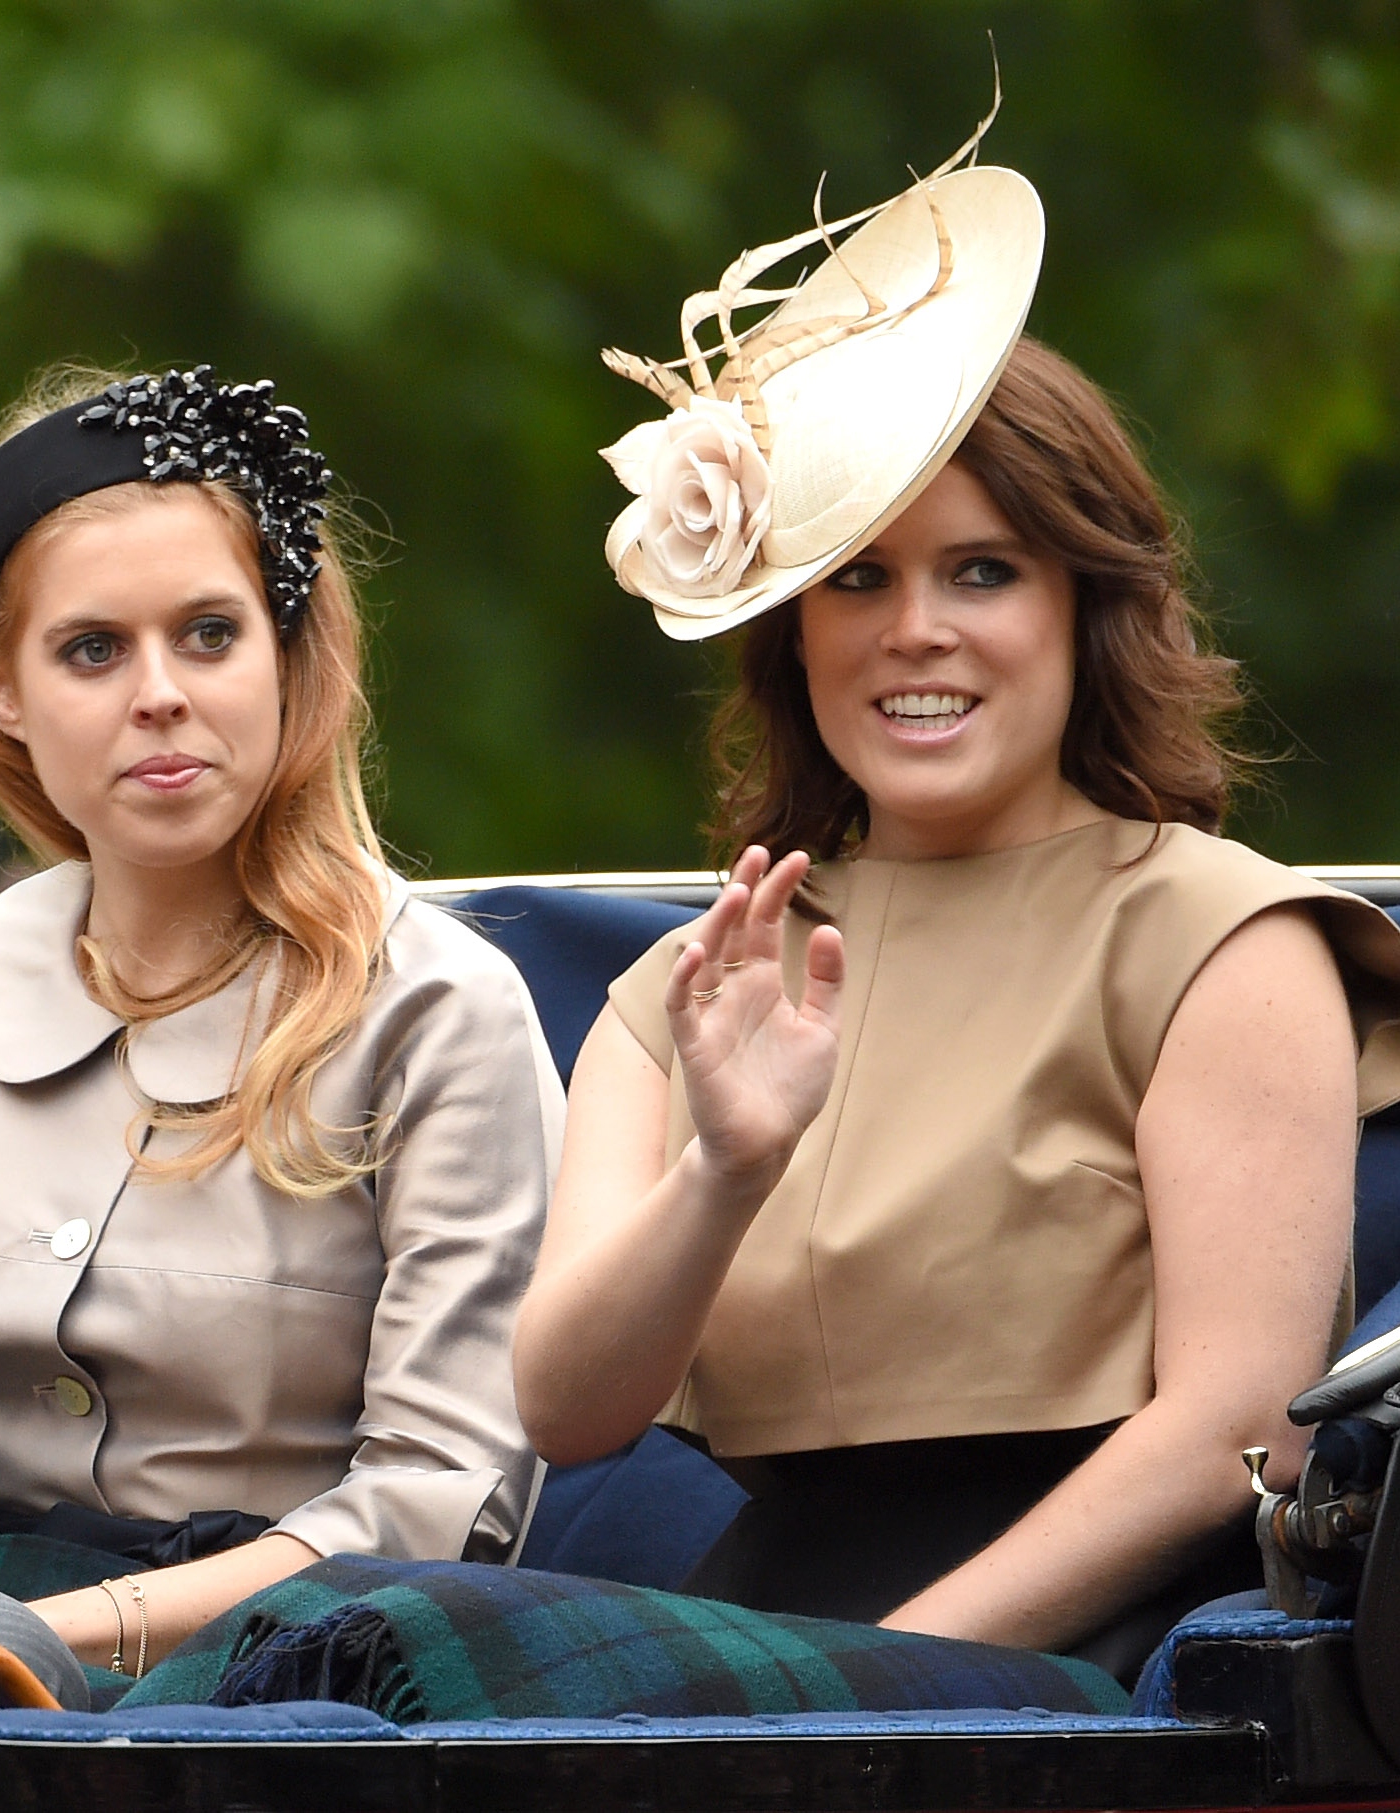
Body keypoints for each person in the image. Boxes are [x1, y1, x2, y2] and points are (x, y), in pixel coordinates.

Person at [511, 143, 1400, 1679]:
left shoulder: (1220, 935)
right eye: (856, 577)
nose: (913, 629)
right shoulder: (692, 984)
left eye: (982, 571)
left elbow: (1234, 1424)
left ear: (1080, 607)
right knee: (349, 1648)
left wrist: (880, 1684)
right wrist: (725, 1166)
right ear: (790, 635)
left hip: (1093, 1650)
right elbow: (565, 1412)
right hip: (769, 1622)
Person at [0, 363, 561, 1703]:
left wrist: (42, 1623)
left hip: (317, 1650)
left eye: (209, 634)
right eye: (92, 648)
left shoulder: (432, 1001)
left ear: (282, 649)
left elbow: (439, 1505)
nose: (160, 693)